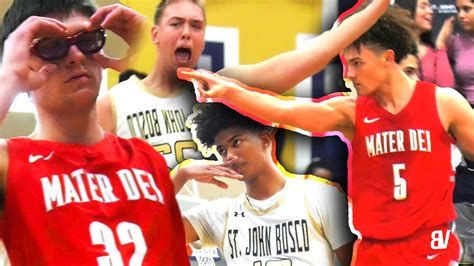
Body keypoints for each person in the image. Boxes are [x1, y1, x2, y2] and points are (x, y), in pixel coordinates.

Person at [178, 7, 474, 265]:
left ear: (387, 58)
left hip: (432, 251)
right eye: (346, 64)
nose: (349, 74)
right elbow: (281, 110)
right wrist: (229, 91)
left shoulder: (443, 103)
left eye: (357, 63)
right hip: (376, 252)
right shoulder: (350, 112)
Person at [0, 0, 197, 264]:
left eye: (87, 40)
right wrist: (7, 80)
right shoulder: (10, 163)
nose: (76, 55)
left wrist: (154, 43)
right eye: (52, 46)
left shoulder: (146, 159)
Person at [96, 0, 390, 171]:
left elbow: (318, 51)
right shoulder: (115, 102)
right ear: (156, 34)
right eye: (177, 24)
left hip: (222, 246)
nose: (187, 33)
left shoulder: (225, 85)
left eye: (196, 26)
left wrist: (377, 6)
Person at [176, 103, 355, 266]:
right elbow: (152, 230)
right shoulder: (219, 214)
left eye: (236, 142)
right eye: (222, 150)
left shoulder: (319, 196)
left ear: (265, 140)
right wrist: (182, 175)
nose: (229, 155)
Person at [393, 0, 455, 88]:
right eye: (423, 7)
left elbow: (447, 87)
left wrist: (440, 45)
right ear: (407, 10)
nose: (430, 11)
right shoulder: (391, 49)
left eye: (429, 7)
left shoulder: (431, 51)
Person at [437, 0, 474, 107]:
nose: (461, 15)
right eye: (458, 10)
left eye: (466, 9)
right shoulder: (455, 42)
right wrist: (441, 43)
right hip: (467, 110)